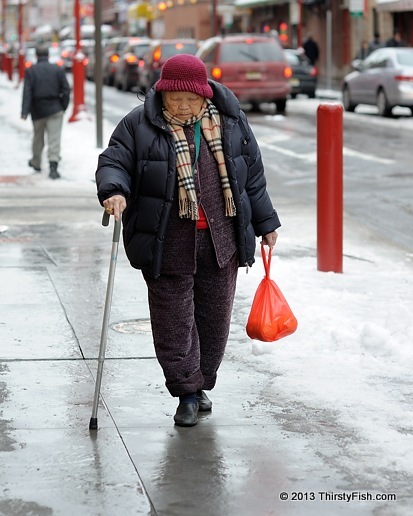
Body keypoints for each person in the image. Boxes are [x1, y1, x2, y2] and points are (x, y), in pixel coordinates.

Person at [95, 54, 280, 428]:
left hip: (220, 240)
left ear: (204, 95)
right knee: (174, 322)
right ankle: (186, 392)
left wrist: (266, 222)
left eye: (190, 98)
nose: (181, 105)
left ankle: (201, 381)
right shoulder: (138, 125)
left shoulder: (229, 122)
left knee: (214, 321)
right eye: (173, 97)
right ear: (161, 93)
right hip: (167, 240)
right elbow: (114, 160)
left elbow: (252, 176)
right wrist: (114, 191)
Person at [21, 45, 70, 179]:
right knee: (54, 138)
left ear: (36, 56)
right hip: (55, 107)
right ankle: (53, 166)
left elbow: (27, 92)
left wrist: (25, 111)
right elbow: (66, 89)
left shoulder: (31, 71)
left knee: (38, 137)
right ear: (48, 56)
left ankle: (36, 162)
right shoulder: (57, 69)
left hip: (37, 109)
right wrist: (63, 106)